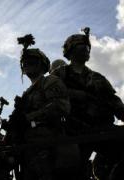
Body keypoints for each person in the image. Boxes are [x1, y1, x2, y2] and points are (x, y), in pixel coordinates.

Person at [51, 27, 124, 180]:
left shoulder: (97, 78)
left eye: (87, 47)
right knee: (72, 171)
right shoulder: (59, 75)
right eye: (81, 47)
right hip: (72, 131)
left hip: (101, 129)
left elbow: (115, 103)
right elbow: (49, 98)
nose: (86, 50)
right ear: (70, 51)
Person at [9, 46, 70, 180]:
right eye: (24, 62)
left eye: (31, 61)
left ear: (41, 64)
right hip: (30, 146)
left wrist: (28, 118)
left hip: (49, 142)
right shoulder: (27, 93)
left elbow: (60, 107)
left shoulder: (50, 81)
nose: (26, 64)